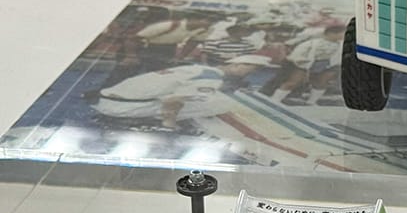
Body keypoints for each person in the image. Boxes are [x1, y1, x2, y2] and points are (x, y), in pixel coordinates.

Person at [94, 55, 274, 130]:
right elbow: (174, 100)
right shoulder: (212, 77)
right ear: (237, 65)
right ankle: (155, 121)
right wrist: (170, 125)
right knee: (221, 103)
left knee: (207, 97)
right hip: (121, 108)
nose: (249, 74)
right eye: (250, 70)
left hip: (107, 99)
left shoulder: (196, 68)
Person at [269, 24, 346, 104]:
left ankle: (311, 101)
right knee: (293, 82)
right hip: (305, 63)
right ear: (332, 33)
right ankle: (275, 99)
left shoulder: (341, 45)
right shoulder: (312, 43)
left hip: (327, 64)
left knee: (321, 83)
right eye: (342, 33)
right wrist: (302, 62)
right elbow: (297, 54)